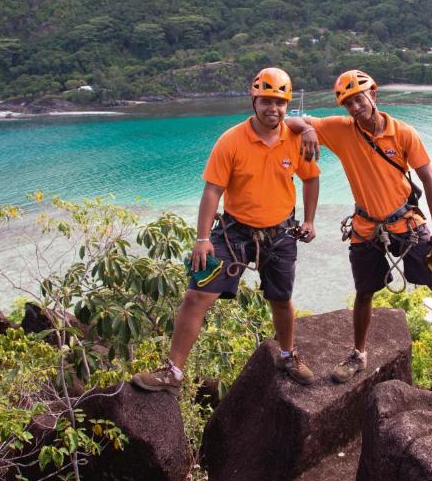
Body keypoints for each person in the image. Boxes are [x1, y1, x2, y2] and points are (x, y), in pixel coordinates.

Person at [286, 69, 432, 383]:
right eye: (348, 103)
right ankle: (358, 354)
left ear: (374, 94)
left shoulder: (402, 132)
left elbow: (430, 181)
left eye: (359, 98)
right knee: (364, 292)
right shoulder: (341, 130)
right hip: (366, 224)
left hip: (405, 222)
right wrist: (308, 131)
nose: (355, 107)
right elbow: (289, 119)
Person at [132, 67, 320, 395]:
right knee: (196, 296)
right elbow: (212, 191)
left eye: (279, 102)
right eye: (265, 101)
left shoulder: (295, 138)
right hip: (233, 233)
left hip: (280, 234)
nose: (272, 108)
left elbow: (311, 178)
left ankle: (287, 356)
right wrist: (202, 239)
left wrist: (309, 220)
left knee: (281, 300)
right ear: (253, 100)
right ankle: (173, 371)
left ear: (287, 104)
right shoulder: (231, 140)